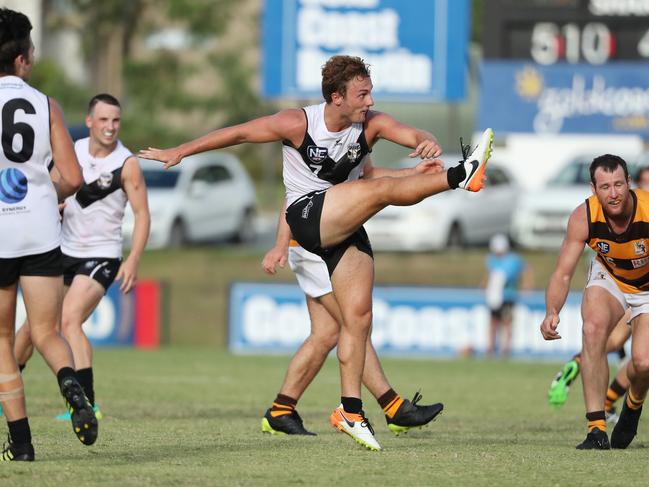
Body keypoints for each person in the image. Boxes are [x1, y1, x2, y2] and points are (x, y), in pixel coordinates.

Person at [140, 55, 494, 451]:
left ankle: (327, 410)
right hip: (305, 223)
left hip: (340, 228)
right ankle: (462, 176)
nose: (369, 100)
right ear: (335, 96)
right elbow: (239, 133)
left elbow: (399, 145)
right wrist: (182, 150)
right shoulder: (298, 123)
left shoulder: (370, 124)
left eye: (370, 91)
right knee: (345, 310)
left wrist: (423, 148)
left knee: (350, 322)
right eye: (362, 93)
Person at [261, 184, 443, 437]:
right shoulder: (323, 146)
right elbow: (294, 192)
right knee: (354, 326)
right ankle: (393, 407)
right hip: (313, 249)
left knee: (326, 333)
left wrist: (413, 176)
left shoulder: (352, 148)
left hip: (318, 246)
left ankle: (281, 411)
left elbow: (371, 176)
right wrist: (280, 243)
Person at [13, 93, 151, 420]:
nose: (110, 127)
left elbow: (142, 214)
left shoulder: (126, 164)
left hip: (101, 255)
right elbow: (51, 187)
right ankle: (8, 388)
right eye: (103, 120)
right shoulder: (72, 150)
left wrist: (133, 259)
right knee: (31, 329)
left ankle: (87, 404)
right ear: (89, 121)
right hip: (61, 250)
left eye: (116, 121)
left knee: (69, 319)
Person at [0, 7, 97, 461]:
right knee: (45, 331)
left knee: (2, 340)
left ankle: (21, 445)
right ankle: (74, 390)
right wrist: (43, 190)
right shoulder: (46, 105)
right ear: (22, 58)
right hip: (40, 229)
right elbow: (73, 178)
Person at [541, 154, 649, 450]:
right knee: (593, 329)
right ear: (593, 188)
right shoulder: (583, 216)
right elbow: (563, 274)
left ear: (629, 183)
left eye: (618, 185)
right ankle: (596, 429)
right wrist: (552, 311)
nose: (613, 194)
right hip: (611, 275)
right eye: (605, 187)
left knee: (644, 362)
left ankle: (633, 403)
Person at [483, 233, 530, 357]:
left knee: (506, 321)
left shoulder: (514, 259)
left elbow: (526, 271)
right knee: (493, 321)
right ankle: (490, 347)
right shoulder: (491, 259)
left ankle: (506, 348)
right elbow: (490, 275)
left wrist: (526, 286)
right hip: (494, 296)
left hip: (508, 295)